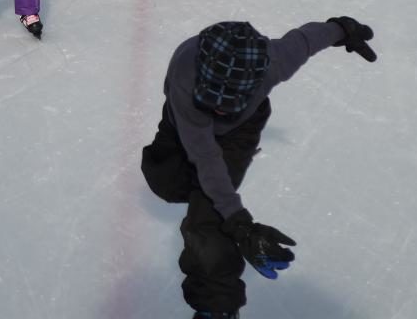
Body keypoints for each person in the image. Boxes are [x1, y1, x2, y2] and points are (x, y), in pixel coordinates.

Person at [140, 17, 377, 319]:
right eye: (212, 100)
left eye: (230, 102)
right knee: (166, 181)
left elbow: (305, 39)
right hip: (185, 123)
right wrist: (230, 208)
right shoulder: (185, 79)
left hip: (240, 133)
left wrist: (343, 28)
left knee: (207, 219)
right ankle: (203, 194)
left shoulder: (275, 61)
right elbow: (204, 153)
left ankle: (218, 309)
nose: (221, 110)